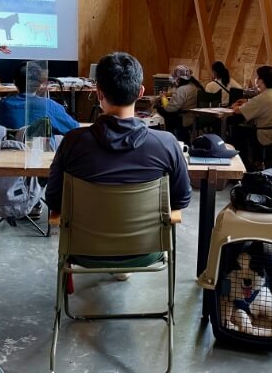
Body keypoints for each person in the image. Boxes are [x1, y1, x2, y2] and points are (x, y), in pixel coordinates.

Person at [46, 52, 191, 277]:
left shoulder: (73, 142)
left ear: (98, 93)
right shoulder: (166, 144)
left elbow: (54, 199)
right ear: (141, 92)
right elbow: (181, 199)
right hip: (145, 250)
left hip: (84, 251)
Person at [0, 62, 78, 135]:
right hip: (42, 150)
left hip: (10, 149)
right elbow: (74, 129)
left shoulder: (2, 104)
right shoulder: (50, 106)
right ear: (40, 85)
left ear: (14, 83)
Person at [230, 65, 272, 165]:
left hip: (264, 136)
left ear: (261, 80)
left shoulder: (263, 97)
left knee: (237, 130)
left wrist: (234, 106)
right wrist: (248, 101)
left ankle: (245, 164)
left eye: (257, 77)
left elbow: (238, 111)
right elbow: (259, 104)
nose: (256, 79)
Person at [157, 65, 203, 141]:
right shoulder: (196, 86)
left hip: (185, 118)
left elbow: (169, 108)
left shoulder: (182, 89)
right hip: (197, 117)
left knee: (161, 110)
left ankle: (169, 140)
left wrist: (163, 97)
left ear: (179, 78)